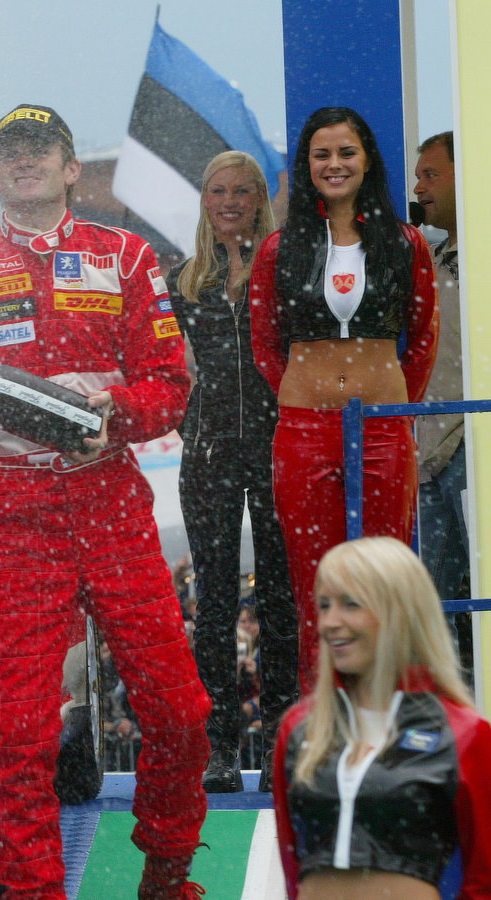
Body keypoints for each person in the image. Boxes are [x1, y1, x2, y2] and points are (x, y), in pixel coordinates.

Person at [0, 103, 209, 899]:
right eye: (10, 151)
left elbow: (171, 387)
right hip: (16, 511)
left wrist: (117, 418)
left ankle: (169, 873)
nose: (25, 160)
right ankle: (34, 889)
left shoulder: (127, 256)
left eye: (41, 149)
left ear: (73, 169)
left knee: (178, 709)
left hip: (110, 499)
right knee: (17, 729)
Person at [249, 107, 438, 702]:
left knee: (384, 579)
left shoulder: (406, 243)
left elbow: (424, 338)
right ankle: (324, 723)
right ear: (306, 167)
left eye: (346, 153)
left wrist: (387, 402)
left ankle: (390, 716)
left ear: (367, 161)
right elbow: (264, 344)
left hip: (382, 430)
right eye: (321, 155)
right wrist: (305, 394)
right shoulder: (279, 248)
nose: (335, 165)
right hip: (304, 431)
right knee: (317, 584)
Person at [170, 150, 297, 793]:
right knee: (215, 605)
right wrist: (187, 426)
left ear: (258, 199)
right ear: (203, 199)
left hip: (277, 451)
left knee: (281, 600)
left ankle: (280, 744)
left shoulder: (285, 268)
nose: (229, 202)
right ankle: (218, 750)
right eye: (217, 190)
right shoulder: (181, 280)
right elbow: (162, 373)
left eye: (241, 191)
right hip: (211, 456)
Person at [272, 536, 490, 898]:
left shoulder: (464, 733)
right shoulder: (300, 728)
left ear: (400, 612)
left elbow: (485, 876)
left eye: (351, 604)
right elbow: (292, 865)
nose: (330, 622)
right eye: (324, 605)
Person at [411, 132, 468, 606]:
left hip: (475, 444)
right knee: (430, 606)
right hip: (430, 452)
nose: (419, 189)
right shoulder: (426, 260)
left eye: (431, 175)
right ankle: (440, 683)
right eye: (417, 177)